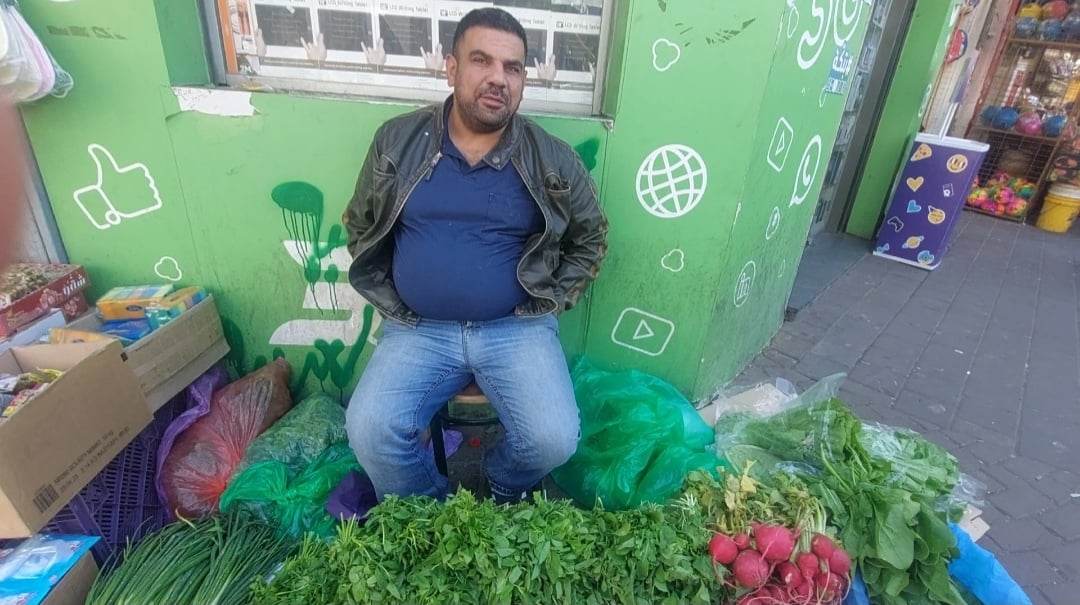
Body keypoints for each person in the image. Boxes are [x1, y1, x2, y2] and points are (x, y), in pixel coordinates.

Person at [342, 7, 607, 502]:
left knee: (553, 439)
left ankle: (501, 485)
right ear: (451, 68)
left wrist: (550, 300)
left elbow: (590, 238)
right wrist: (399, 292)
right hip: (419, 328)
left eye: (513, 67)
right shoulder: (396, 141)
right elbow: (361, 223)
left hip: (515, 328)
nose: (498, 78)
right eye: (481, 61)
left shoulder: (552, 157)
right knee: (370, 431)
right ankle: (425, 508)